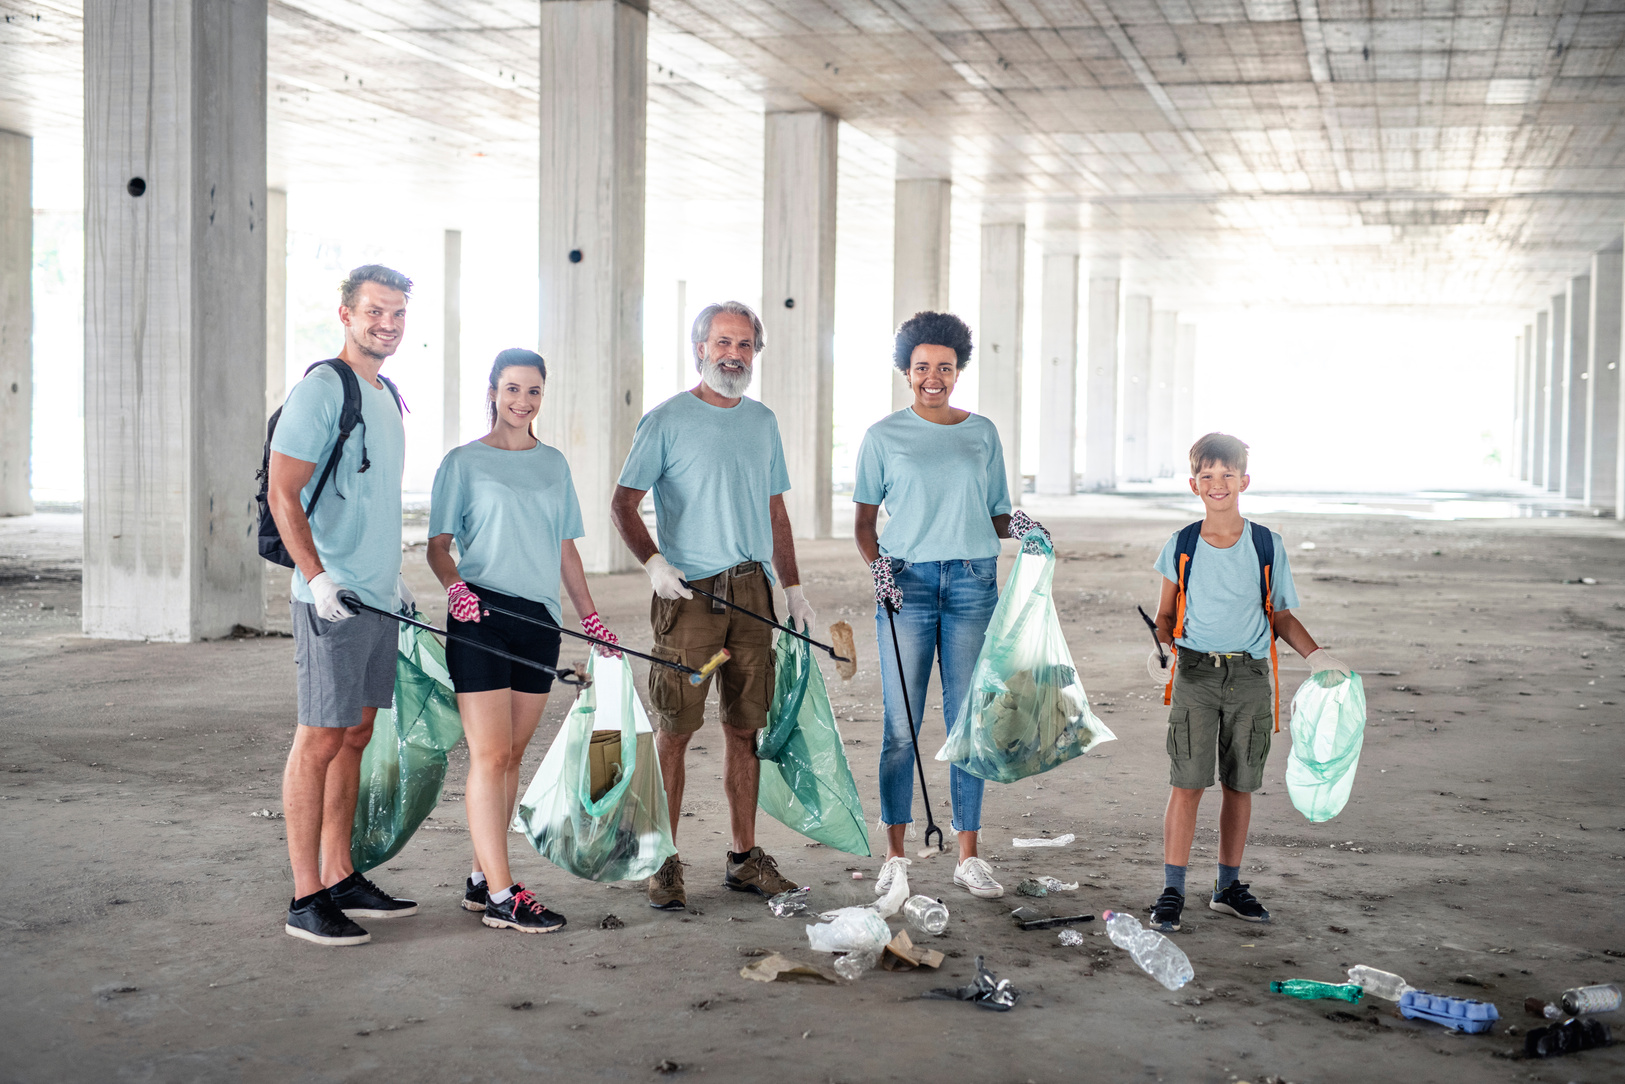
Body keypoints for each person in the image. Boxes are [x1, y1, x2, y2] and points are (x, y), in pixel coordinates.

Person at [609, 301, 812, 910]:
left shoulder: (762, 421)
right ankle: (663, 863)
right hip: (690, 597)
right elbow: (623, 503)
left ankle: (744, 860)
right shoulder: (667, 419)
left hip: (753, 596)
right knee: (674, 731)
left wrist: (792, 586)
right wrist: (653, 563)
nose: (734, 354)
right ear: (700, 348)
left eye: (745, 344)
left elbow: (776, 510)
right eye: (723, 342)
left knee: (744, 730)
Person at [853, 311, 1049, 902]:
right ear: (905, 372)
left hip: (972, 584)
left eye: (944, 367)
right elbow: (864, 524)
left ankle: (968, 856)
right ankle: (894, 856)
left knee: (970, 725)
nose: (932, 377)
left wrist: (1018, 524)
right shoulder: (883, 437)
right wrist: (879, 567)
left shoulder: (981, 433)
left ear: (958, 371)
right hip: (905, 587)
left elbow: (993, 510)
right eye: (921, 368)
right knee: (899, 727)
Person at [427, 348, 621, 935]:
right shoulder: (462, 463)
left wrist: (590, 617)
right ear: (492, 391)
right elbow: (437, 547)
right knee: (489, 754)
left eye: (533, 391)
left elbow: (564, 548)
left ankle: (479, 876)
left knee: (511, 755)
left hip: (539, 621)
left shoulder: (553, 464)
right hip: (480, 613)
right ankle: (503, 895)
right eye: (512, 389)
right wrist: (454, 586)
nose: (522, 401)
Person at [267, 265, 419, 946]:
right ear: (346, 314)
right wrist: (318, 578)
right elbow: (283, 493)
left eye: (397, 314)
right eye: (375, 312)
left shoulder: (385, 394)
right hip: (331, 600)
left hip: (376, 596)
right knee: (319, 737)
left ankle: (339, 872)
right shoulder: (323, 388)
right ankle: (306, 899)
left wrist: (394, 582)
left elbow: (372, 501)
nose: (386, 324)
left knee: (356, 734)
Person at [1146, 433, 1349, 932]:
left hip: (1251, 677)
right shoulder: (1183, 544)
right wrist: (1163, 648)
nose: (1218, 484)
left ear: (1244, 481)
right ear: (1194, 484)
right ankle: (1173, 889)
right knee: (1187, 783)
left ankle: (1227, 887)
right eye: (1208, 476)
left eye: (1227, 475)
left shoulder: (1266, 544)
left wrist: (1317, 655)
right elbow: (1165, 614)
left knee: (1240, 785)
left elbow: (1279, 615)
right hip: (1194, 674)